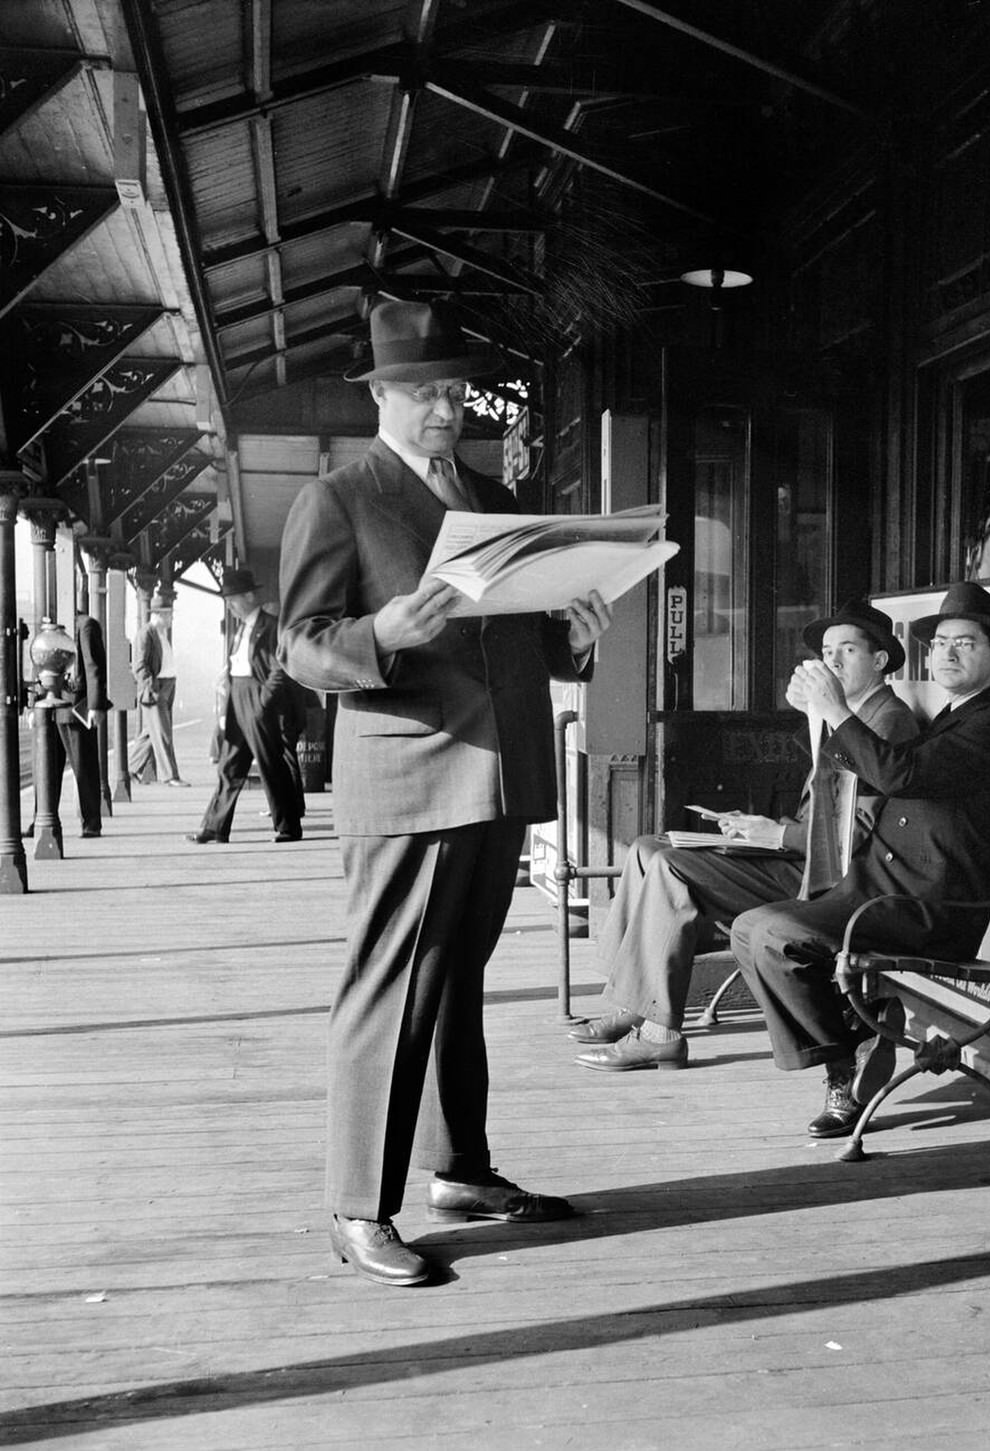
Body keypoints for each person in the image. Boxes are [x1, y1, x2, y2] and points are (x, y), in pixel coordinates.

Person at [277, 299, 613, 1288]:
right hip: (410, 778)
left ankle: (459, 1169)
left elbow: (524, 632)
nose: (443, 406)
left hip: (499, 773)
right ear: (379, 392)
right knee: (388, 988)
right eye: (423, 390)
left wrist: (576, 638)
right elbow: (299, 643)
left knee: (453, 982)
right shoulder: (339, 498)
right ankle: (356, 1206)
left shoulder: (489, 496)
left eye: (455, 390)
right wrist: (382, 631)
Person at [730, 581, 990, 1138]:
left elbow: (899, 774)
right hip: (880, 888)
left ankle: (842, 1063)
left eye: (964, 643)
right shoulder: (955, 716)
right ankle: (848, 1052)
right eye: (941, 642)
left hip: (927, 906)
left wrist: (836, 707)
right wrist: (821, 715)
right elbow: (873, 774)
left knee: (775, 934)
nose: (946, 653)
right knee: (749, 928)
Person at [572, 599, 918, 1072]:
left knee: (671, 867)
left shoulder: (887, 719)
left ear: (879, 661)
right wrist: (761, 827)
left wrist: (775, 834)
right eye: (827, 651)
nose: (832, 662)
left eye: (848, 650)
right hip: (801, 854)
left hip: (825, 878)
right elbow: (826, 796)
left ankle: (659, 1032)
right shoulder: (847, 713)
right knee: (646, 848)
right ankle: (633, 1004)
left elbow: (851, 834)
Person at [187, 569, 303, 844]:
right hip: (237, 698)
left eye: (234, 598)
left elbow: (280, 668)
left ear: (251, 596)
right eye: (227, 600)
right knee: (229, 765)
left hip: (257, 698)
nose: (230, 605)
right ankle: (215, 827)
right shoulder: (239, 628)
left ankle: (288, 827)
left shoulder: (272, 626)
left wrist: (263, 702)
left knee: (270, 764)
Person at [28, 609, 108, 840]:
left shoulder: (86, 626)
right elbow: (40, 665)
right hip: (52, 705)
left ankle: (91, 822)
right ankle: (40, 818)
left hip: (75, 707)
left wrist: (95, 705)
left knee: (84, 765)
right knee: (46, 768)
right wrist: (36, 701)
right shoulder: (53, 630)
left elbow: (93, 667)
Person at [128, 607, 189, 786]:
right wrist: (151, 687)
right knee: (163, 733)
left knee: (150, 733)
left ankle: (131, 768)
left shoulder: (160, 633)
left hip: (167, 686)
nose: (171, 619)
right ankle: (170, 776)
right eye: (169, 615)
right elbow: (139, 665)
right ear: (159, 615)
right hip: (156, 688)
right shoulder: (146, 634)